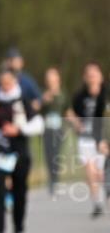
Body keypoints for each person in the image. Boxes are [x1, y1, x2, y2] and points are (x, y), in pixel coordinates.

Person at [0, 68, 44, 233]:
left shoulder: (22, 100)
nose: (6, 86)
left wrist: (19, 130)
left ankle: (19, 232)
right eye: (2, 83)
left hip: (19, 153)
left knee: (19, 193)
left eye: (9, 82)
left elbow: (38, 124)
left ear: (15, 82)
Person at [65, 63, 107, 218]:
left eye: (95, 75)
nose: (92, 78)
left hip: (102, 138)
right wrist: (75, 122)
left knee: (100, 173)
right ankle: (97, 203)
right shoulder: (80, 96)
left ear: (100, 77)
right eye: (89, 76)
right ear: (85, 78)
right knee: (90, 170)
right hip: (85, 138)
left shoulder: (105, 94)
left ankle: (102, 195)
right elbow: (71, 113)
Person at [40, 67, 67, 196]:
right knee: (48, 155)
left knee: (56, 154)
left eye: (53, 77)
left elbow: (67, 110)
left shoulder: (63, 95)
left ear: (58, 78)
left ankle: (56, 180)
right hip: (47, 130)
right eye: (48, 78)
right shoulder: (44, 94)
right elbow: (37, 109)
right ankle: (51, 179)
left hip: (59, 129)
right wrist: (43, 100)